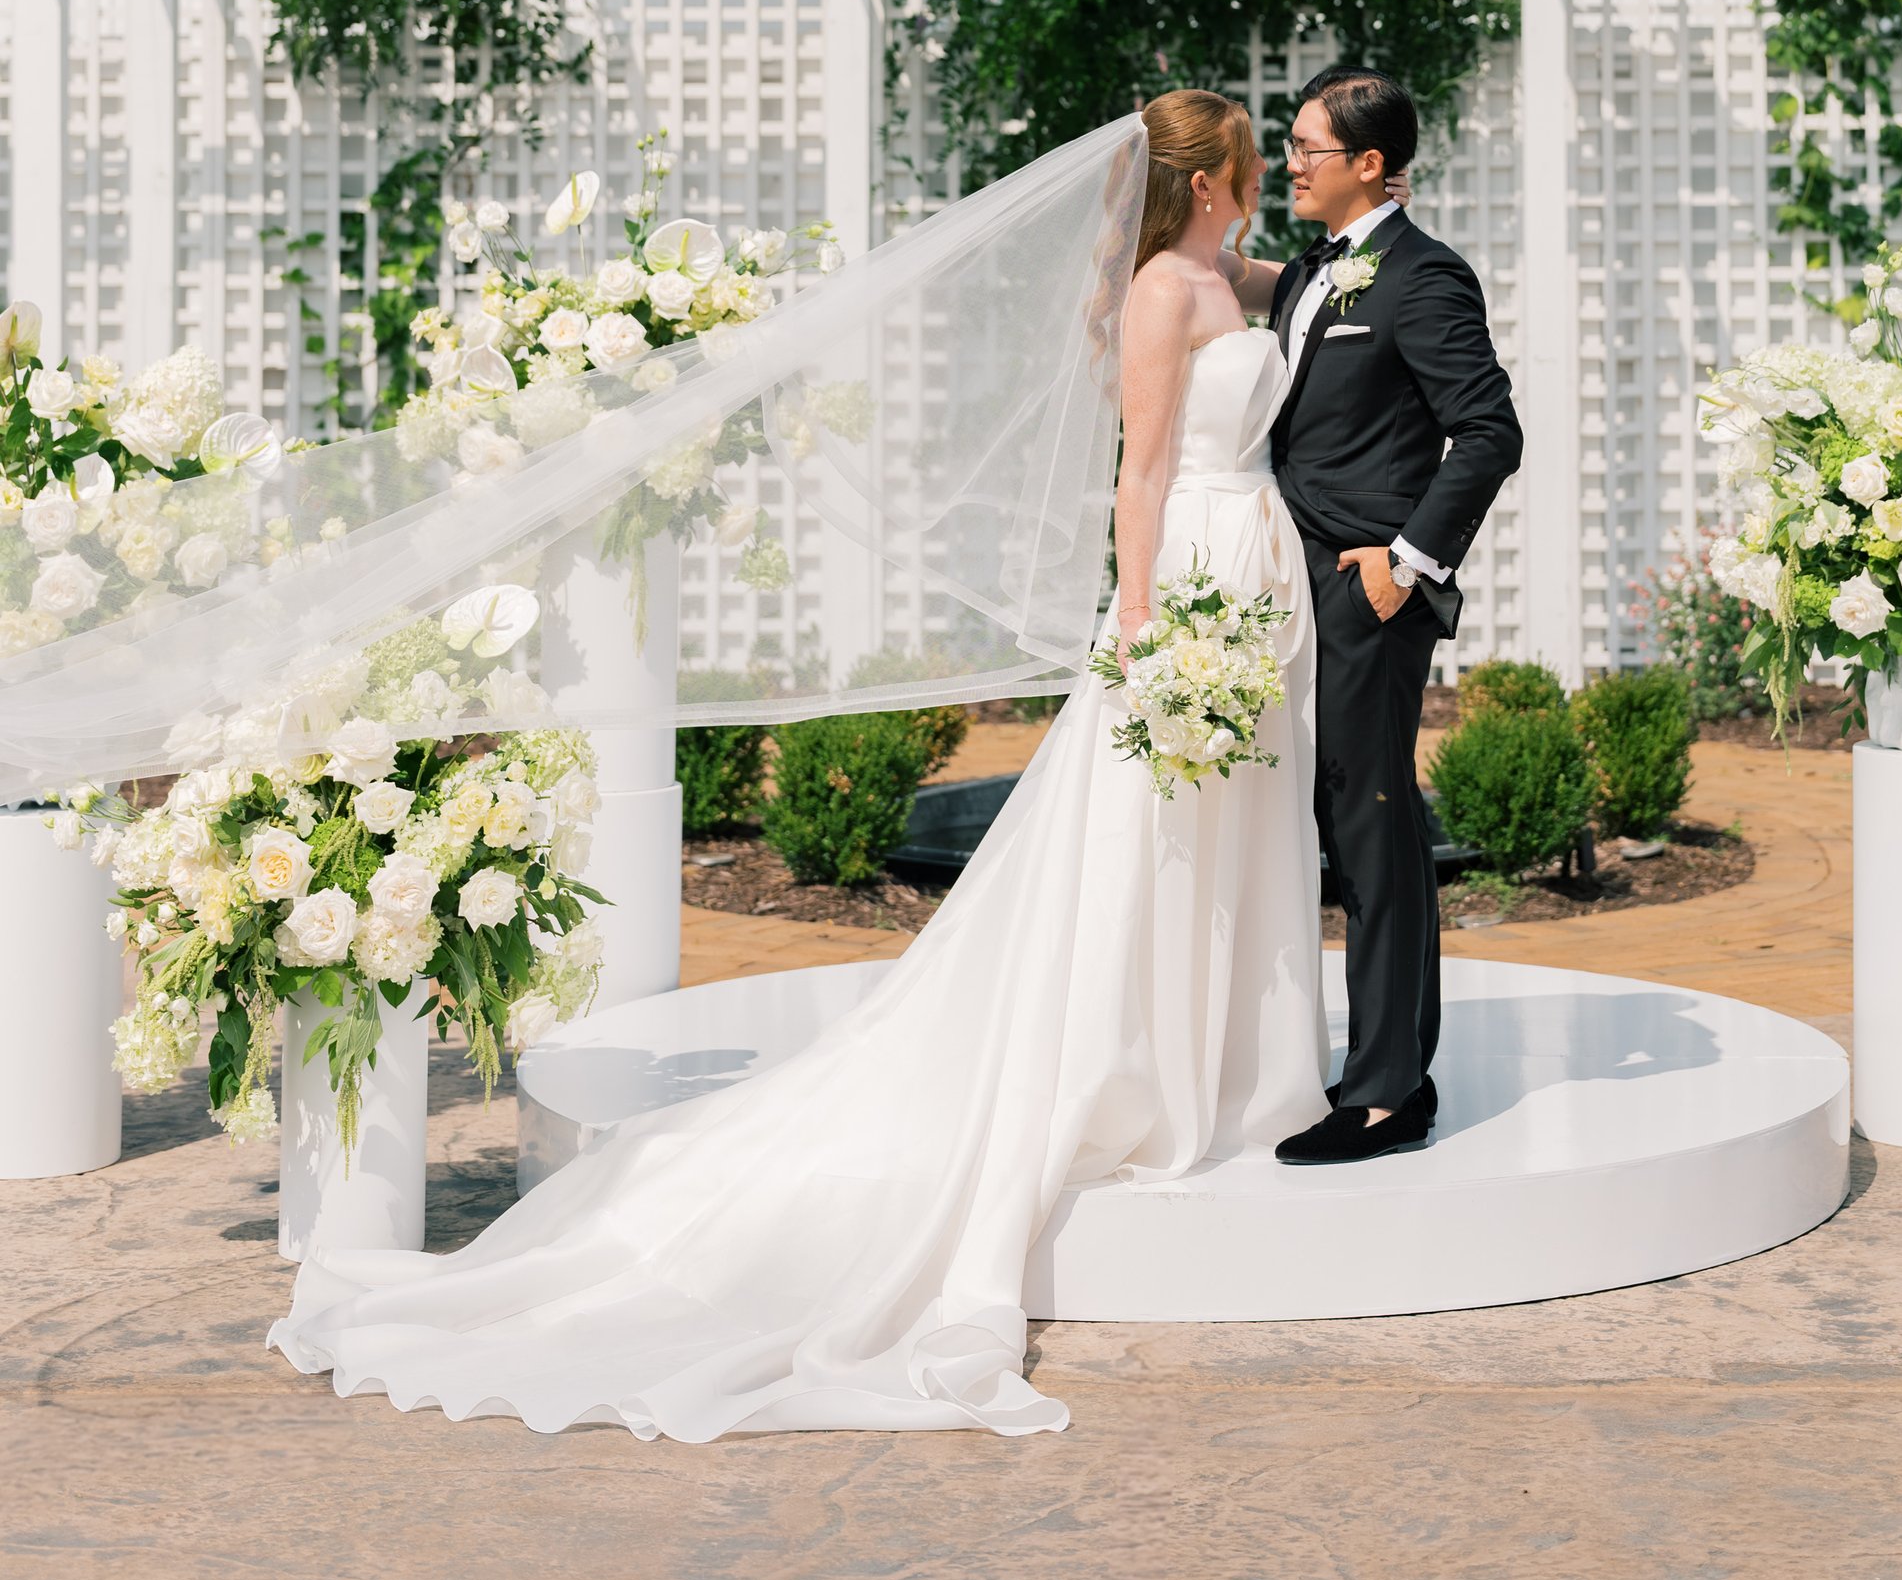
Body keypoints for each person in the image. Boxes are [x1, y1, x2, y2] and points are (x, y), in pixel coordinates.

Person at [270, 92, 1325, 1439]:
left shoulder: (1223, 276)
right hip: (1188, 573)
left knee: (1223, 835)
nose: (1263, 173)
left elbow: (1296, 298)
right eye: (1247, 157)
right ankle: (1147, 1074)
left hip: (1257, 559)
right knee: (1148, 839)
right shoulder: (1166, 300)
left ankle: (1217, 1067)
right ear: (1211, 178)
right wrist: (1140, 628)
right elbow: (1141, 473)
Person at [1223, 69, 1523, 1166]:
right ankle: (1336, 1058)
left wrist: (1407, 562)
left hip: (1367, 591)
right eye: (1286, 145)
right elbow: (1257, 296)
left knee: (1371, 822)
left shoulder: (1424, 278)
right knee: (1310, 816)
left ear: (1369, 166)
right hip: (1284, 583)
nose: (1291, 162)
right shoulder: (1311, 267)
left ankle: (1392, 1089)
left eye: (1307, 148)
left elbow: (1490, 433)